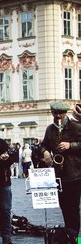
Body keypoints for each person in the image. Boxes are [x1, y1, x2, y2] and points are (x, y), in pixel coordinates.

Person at [41, 101, 81, 236]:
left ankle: (76, 238)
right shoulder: (50, 129)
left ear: (65, 113)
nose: (58, 116)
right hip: (59, 175)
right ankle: (69, 235)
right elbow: (44, 145)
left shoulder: (76, 127)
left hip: (75, 173)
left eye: (61, 113)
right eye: (55, 113)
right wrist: (45, 152)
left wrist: (71, 145)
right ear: (52, 113)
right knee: (64, 206)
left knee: (73, 207)